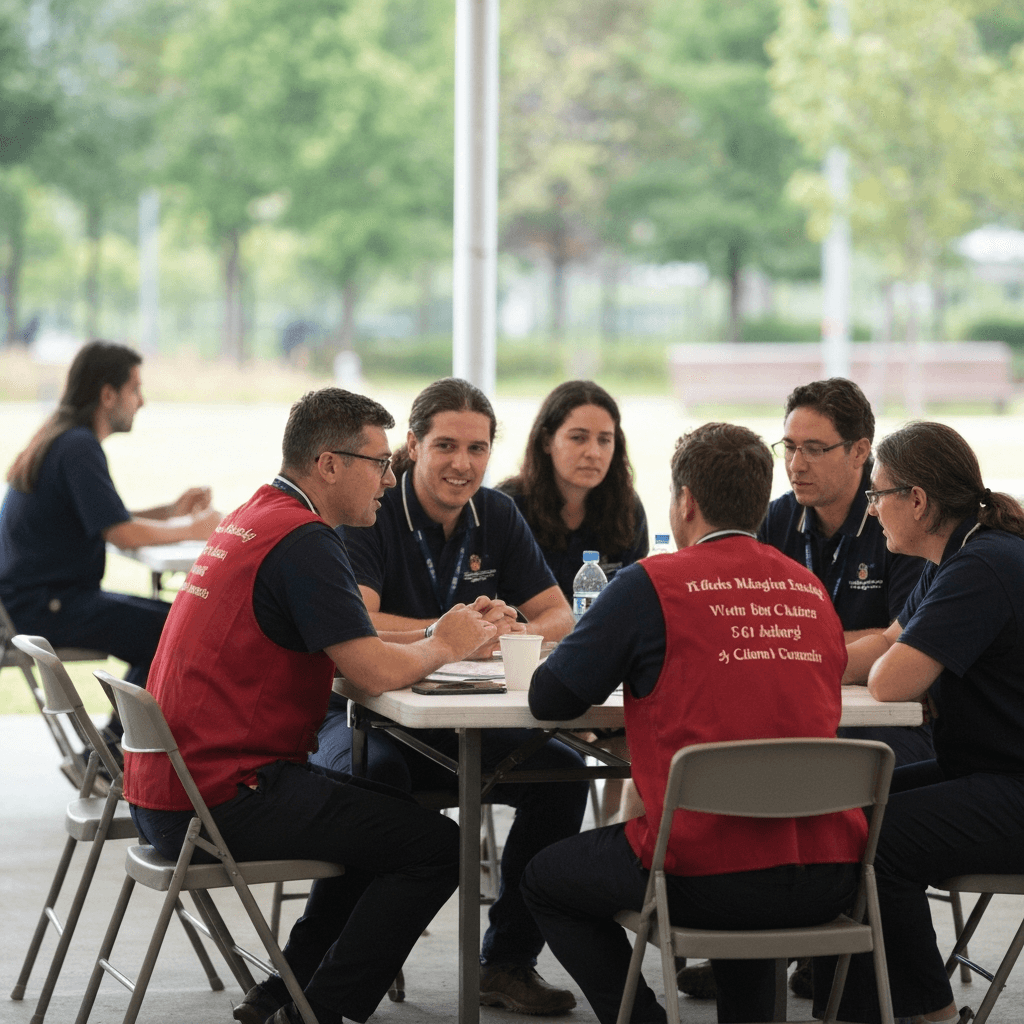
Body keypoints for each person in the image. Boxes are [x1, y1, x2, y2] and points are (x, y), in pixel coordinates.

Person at [122, 387, 498, 1024]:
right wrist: (444, 644)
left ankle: (287, 993)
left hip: (167, 792)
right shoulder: (306, 541)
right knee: (438, 846)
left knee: (386, 814)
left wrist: (443, 632)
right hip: (217, 801)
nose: (390, 479)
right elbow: (370, 670)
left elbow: (354, 640)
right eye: (379, 463)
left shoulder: (260, 515)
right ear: (329, 464)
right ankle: (318, 1011)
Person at [520, 422, 866, 1024]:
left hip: (703, 875)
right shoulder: (811, 591)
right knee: (745, 849)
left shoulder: (649, 585)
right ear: (760, 505)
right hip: (831, 874)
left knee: (546, 879)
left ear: (685, 502)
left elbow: (550, 698)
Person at [311, 377, 586, 1016]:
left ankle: (507, 962)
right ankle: (341, 966)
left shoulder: (498, 513)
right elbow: (359, 624)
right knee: (376, 782)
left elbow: (560, 617)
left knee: (563, 774)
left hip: (461, 721)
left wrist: (512, 632)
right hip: (362, 715)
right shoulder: (370, 506)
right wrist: (448, 636)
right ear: (412, 446)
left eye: (478, 448)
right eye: (446, 446)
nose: (463, 464)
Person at [680, 378, 929, 1002]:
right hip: (806, 710)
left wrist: (787, 645)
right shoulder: (774, 518)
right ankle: (749, 940)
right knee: (732, 766)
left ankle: (823, 947)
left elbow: (900, 643)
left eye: (815, 449)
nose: (795, 464)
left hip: (889, 724)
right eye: (788, 446)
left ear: (860, 451)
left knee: (821, 777)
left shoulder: (895, 519)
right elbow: (735, 623)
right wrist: (835, 645)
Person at [811, 422, 1024, 1024]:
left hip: (1012, 786)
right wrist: (798, 666)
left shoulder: (981, 566)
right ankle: (853, 1008)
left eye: (877, 495)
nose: (871, 509)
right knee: (839, 811)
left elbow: (890, 680)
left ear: (918, 501)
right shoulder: (956, 555)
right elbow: (885, 644)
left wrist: (891, 667)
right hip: (985, 771)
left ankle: (934, 1015)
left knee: (878, 841)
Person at [0, 340, 219, 700]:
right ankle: (124, 732)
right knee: (178, 629)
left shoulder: (62, 436)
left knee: (176, 621)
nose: (142, 401)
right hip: (45, 608)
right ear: (107, 395)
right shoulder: (78, 446)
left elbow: (105, 517)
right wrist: (196, 529)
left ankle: (119, 732)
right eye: (135, 389)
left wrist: (171, 511)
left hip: (33, 603)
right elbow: (121, 534)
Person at [497, 380, 648, 600]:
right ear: (546, 441)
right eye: (578, 438)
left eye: (604, 440)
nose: (594, 452)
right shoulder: (507, 507)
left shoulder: (627, 507)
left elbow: (636, 598)